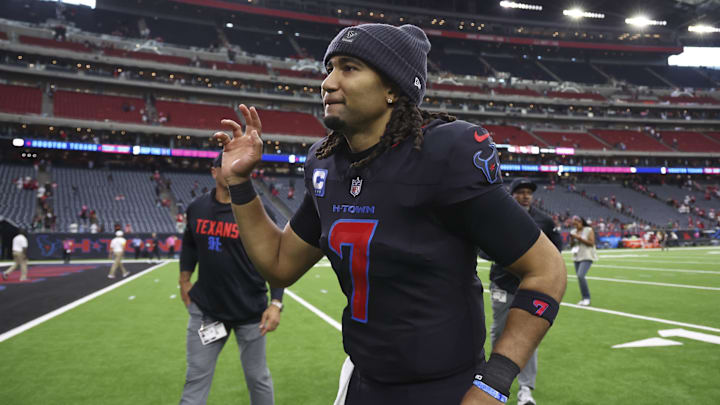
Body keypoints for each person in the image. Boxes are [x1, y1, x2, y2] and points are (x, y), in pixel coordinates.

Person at [213, 23, 566, 405]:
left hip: (445, 388)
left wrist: (493, 382)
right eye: (329, 68)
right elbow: (279, 264)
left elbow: (546, 270)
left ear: (393, 88)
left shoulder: (443, 154)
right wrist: (240, 183)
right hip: (364, 381)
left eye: (349, 68)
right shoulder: (326, 163)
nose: (328, 82)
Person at [178, 153, 283, 405]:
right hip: (209, 313)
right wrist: (184, 281)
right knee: (196, 377)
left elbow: (275, 255)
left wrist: (276, 302)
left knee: (257, 378)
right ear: (214, 172)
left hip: (250, 313)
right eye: (225, 166)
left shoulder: (259, 210)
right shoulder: (197, 208)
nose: (231, 170)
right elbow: (189, 245)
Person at [487, 178, 563, 405]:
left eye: (528, 192)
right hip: (502, 282)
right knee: (500, 332)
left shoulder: (544, 220)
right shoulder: (499, 216)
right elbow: (482, 247)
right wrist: (508, 258)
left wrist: (542, 265)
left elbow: (557, 246)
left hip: (533, 286)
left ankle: (525, 389)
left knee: (528, 337)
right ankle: (495, 382)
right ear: (512, 195)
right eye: (520, 192)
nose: (525, 196)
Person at [569, 216, 597, 306]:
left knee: (581, 275)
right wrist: (573, 239)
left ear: (581, 222)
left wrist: (579, 238)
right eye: (574, 224)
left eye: (577, 223)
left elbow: (591, 243)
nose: (576, 225)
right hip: (577, 256)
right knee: (579, 277)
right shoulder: (573, 232)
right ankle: (584, 298)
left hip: (587, 256)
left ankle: (586, 298)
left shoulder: (588, 230)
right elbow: (571, 245)